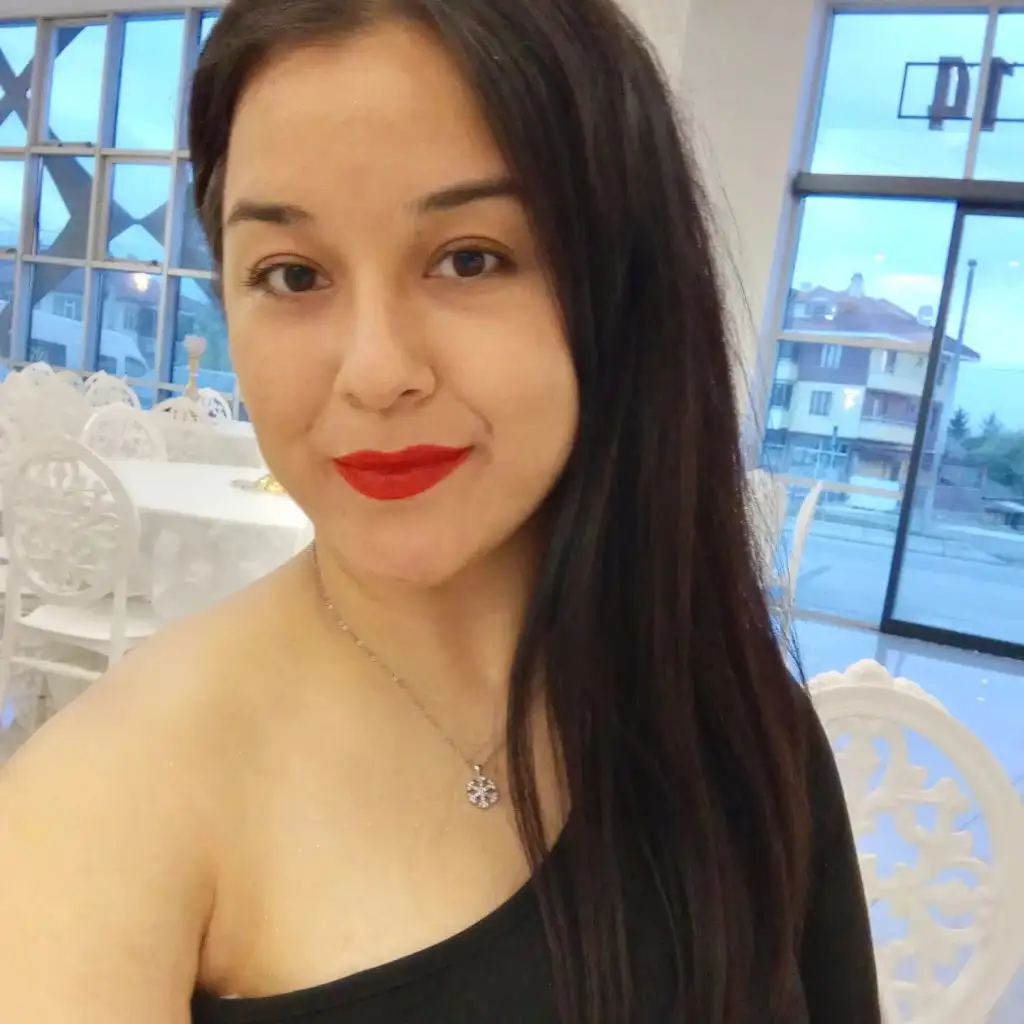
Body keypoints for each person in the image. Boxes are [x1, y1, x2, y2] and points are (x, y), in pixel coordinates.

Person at [0, 1, 881, 1022]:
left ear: (623, 290)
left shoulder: (728, 713)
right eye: (293, 274)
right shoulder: (107, 801)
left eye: (469, 258)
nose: (376, 372)